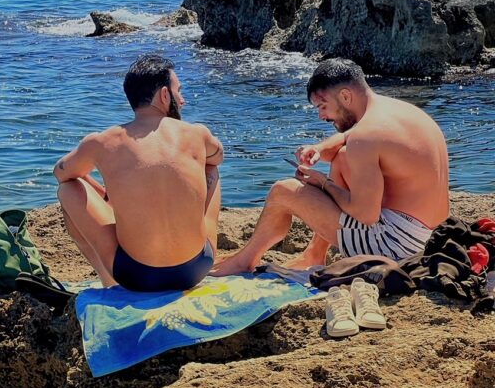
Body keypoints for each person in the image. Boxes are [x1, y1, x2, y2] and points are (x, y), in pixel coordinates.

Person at [213, 58, 449, 275]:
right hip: (431, 238)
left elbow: (365, 215)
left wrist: (323, 184)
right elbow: (349, 138)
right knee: (342, 157)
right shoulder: (397, 111)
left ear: (345, 96)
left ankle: (245, 260)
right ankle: (314, 254)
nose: (322, 116)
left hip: (396, 248)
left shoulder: (364, 137)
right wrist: (318, 148)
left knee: (283, 191)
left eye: (322, 106)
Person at [54, 54, 224, 291]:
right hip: (195, 268)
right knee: (211, 167)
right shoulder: (197, 133)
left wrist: (107, 195)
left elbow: (61, 173)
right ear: (164, 95)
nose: (182, 100)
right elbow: (218, 156)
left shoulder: (103, 141)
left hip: (135, 275)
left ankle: (108, 280)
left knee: (68, 188)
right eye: (178, 91)